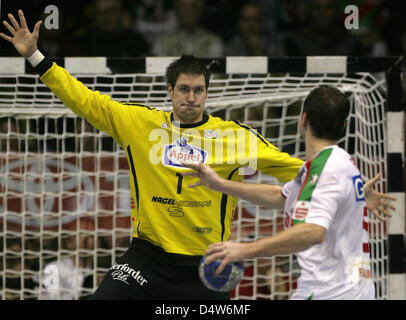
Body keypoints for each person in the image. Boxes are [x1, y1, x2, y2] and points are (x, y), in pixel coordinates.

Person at [1, 10, 304, 300]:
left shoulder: (235, 137)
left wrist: (334, 178)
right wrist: (34, 56)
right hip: (146, 260)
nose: (191, 97)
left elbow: (293, 170)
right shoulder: (140, 124)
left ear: (207, 94)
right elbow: (84, 101)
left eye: (199, 90)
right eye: (184, 89)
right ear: (170, 90)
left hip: (205, 265)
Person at [182, 85, 396, 299]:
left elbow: (312, 232)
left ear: (303, 120)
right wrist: (219, 184)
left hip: (330, 292)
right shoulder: (338, 164)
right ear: (343, 126)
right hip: (349, 289)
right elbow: (282, 196)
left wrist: (245, 250)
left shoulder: (327, 169)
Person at [151, 0, 224, 57]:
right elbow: (158, 72)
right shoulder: (162, 42)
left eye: (192, 7)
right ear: (176, 11)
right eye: (183, 7)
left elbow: (216, 73)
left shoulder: (213, 41)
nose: (187, 11)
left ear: (199, 11)